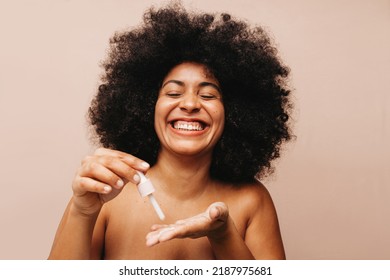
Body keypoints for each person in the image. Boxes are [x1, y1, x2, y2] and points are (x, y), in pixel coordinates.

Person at [48, 2, 292, 260]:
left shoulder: (251, 201)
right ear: (146, 106)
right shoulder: (107, 194)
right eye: (174, 93)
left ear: (234, 112)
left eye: (208, 95)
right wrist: (82, 212)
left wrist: (223, 235)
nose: (189, 104)